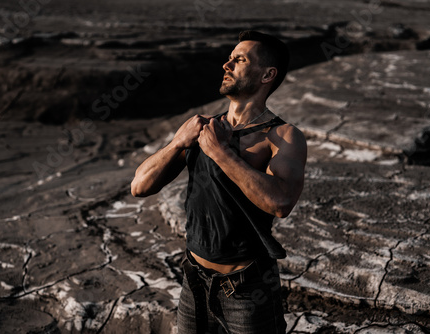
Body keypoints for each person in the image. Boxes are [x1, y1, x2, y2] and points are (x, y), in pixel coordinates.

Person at [131, 30, 307, 334]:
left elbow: (280, 202)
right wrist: (176, 144)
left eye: (238, 60)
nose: (226, 65)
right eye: (229, 59)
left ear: (268, 74)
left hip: (248, 288)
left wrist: (220, 152)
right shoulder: (203, 128)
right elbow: (140, 187)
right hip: (193, 281)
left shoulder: (282, 136)